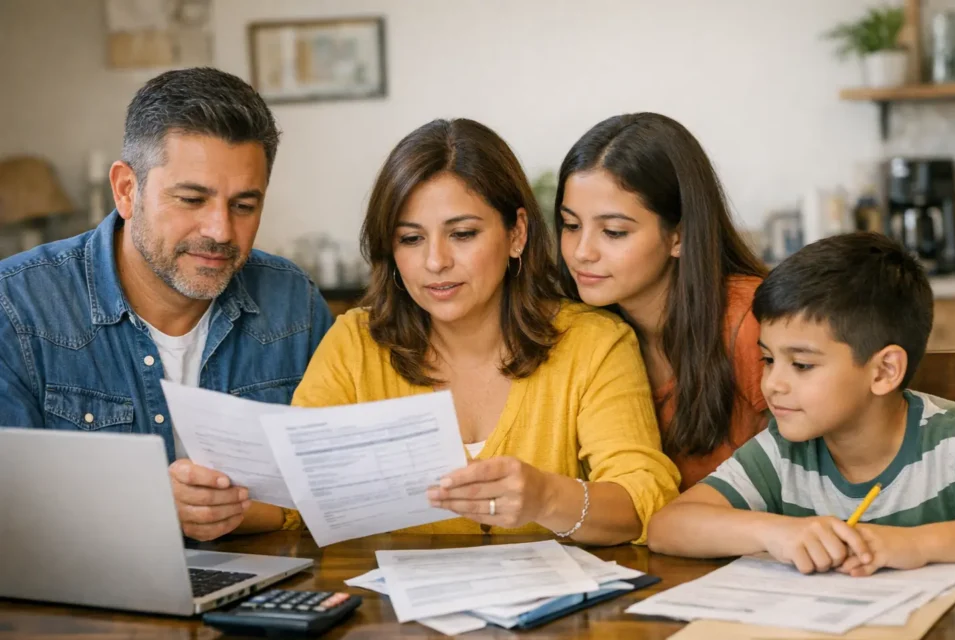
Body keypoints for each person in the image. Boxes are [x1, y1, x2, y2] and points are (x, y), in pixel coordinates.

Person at [184, 117, 681, 545]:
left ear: (517, 233)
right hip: (396, 637)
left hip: (553, 637)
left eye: (463, 234)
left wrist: (545, 496)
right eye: (410, 238)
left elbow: (644, 497)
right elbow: (295, 501)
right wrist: (211, 507)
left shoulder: (593, 342)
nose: (436, 262)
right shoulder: (355, 343)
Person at [0, 67, 333, 541]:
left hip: (268, 591)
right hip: (87, 603)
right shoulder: (17, 308)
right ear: (126, 190)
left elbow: (336, 487)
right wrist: (143, 505)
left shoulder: (293, 303)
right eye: (192, 199)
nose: (220, 230)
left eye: (243, 205)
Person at [647, 232, 955, 575]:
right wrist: (778, 532)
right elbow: (668, 527)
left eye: (802, 365)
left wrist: (917, 544)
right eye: (768, 359)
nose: (772, 384)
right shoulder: (784, 452)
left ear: (883, 372)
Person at [555, 113, 769, 491]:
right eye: (571, 225)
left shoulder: (756, 323)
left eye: (614, 231)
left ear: (680, 236)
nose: (582, 252)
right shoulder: (583, 334)